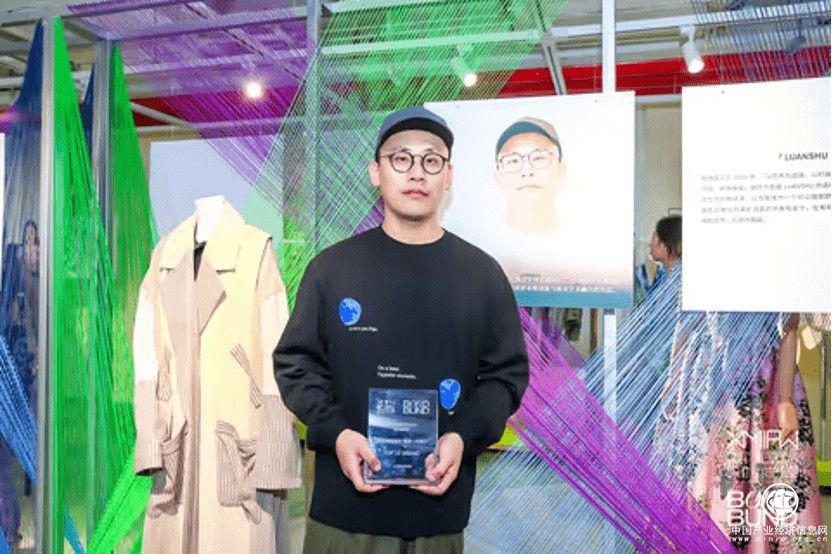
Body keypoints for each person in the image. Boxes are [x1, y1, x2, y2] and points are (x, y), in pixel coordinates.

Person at [274, 106, 529, 553]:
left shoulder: (482, 275)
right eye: (401, 158)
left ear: (448, 176)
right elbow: (296, 365)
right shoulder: (331, 269)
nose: (417, 172)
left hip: (438, 512)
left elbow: (505, 377)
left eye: (431, 159)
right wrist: (337, 432)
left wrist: (462, 436)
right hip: (344, 512)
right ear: (376, 172)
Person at [493, 117, 564, 234]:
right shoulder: (483, 237)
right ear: (497, 177)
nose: (527, 171)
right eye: (513, 161)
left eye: (539, 158)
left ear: (562, 170)